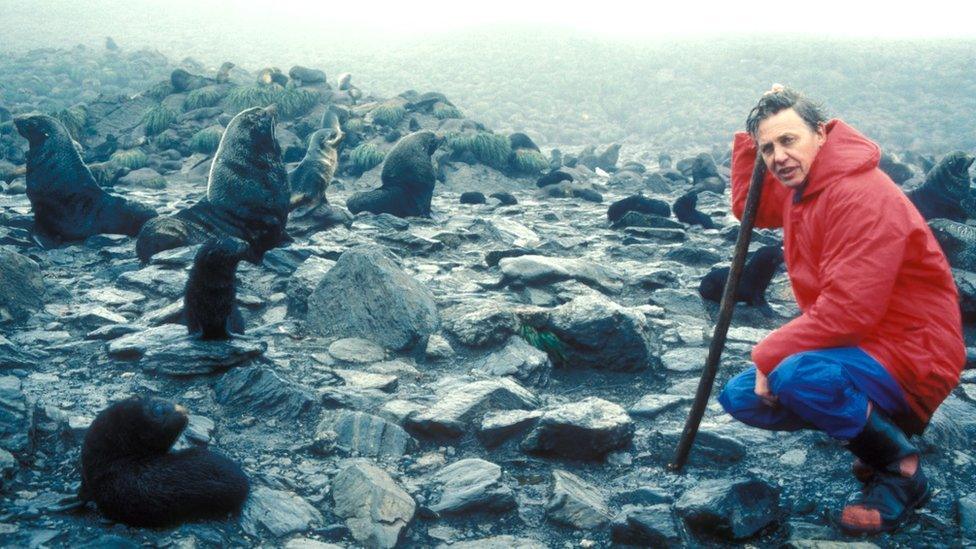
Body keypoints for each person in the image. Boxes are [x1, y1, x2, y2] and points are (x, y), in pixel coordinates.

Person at [717, 85, 965, 535]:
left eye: (788, 140)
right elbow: (747, 207)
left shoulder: (862, 195)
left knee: (795, 375)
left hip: (915, 349)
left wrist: (767, 353)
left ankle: (901, 469)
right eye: (769, 148)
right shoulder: (803, 188)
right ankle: (874, 429)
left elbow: (849, 313)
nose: (778, 156)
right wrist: (749, 138)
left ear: (821, 134)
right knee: (742, 396)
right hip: (863, 344)